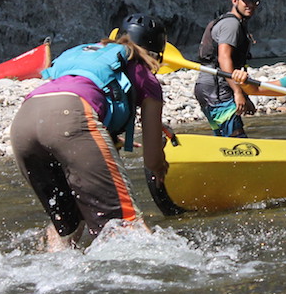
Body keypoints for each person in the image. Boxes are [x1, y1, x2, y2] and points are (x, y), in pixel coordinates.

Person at [10, 13, 169, 250]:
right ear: (156, 53)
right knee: (125, 227)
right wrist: (162, 169)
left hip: (23, 122)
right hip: (73, 117)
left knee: (68, 225)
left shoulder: (91, 55)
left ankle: (53, 263)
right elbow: (152, 159)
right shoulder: (142, 73)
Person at [195, 0, 261, 137]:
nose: (250, 5)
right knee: (236, 139)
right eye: (246, 0)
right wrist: (238, 92)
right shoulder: (231, 25)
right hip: (216, 89)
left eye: (254, 1)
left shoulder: (235, 22)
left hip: (211, 88)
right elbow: (224, 59)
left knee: (223, 140)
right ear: (234, 0)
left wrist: (245, 96)